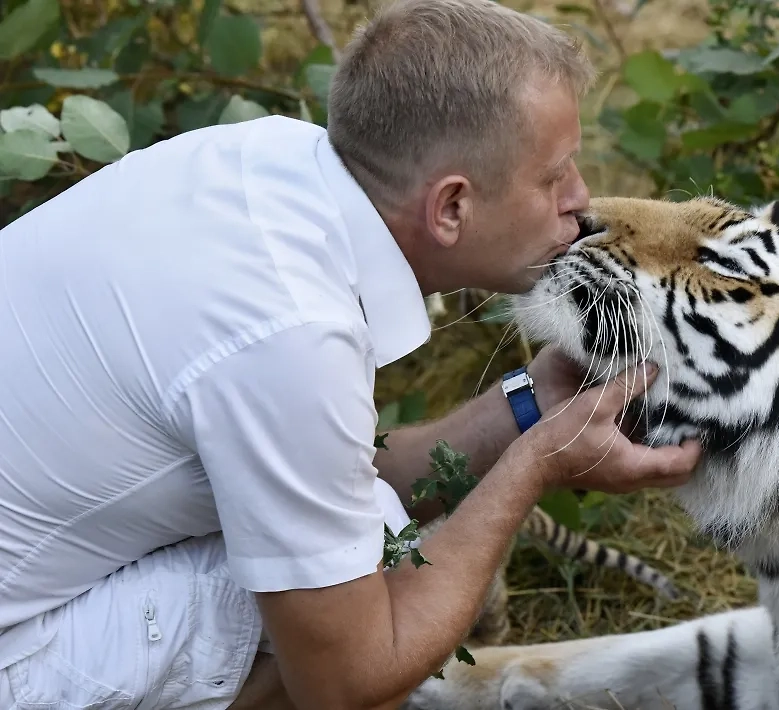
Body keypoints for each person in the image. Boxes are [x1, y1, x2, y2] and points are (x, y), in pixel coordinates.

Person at [0, 0, 701, 708]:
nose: (583, 201)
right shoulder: (290, 331)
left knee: (363, 534)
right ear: (451, 208)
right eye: (553, 177)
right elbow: (346, 686)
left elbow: (340, 479)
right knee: (375, 581)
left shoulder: (270, 163)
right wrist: (535, 468)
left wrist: (529, 405)